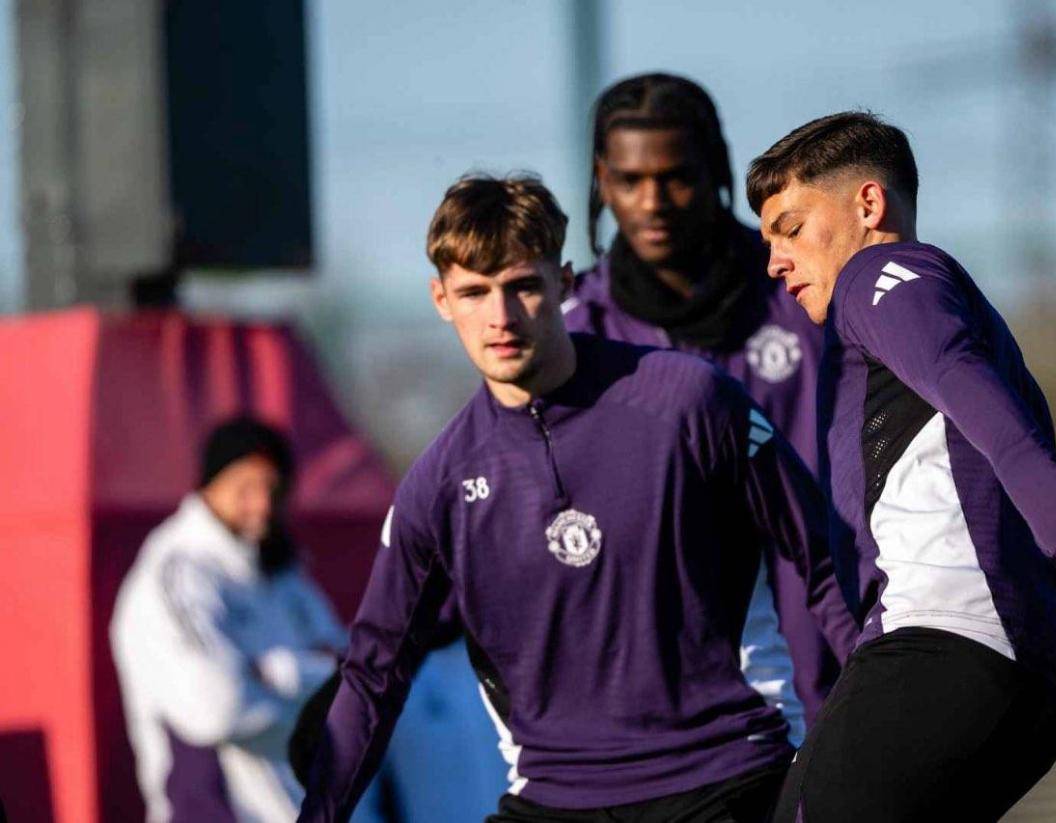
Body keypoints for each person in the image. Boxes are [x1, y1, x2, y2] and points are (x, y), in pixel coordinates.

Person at [297, 174, 857, 822]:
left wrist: (878, 730)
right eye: (474, 292)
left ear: (563, 283)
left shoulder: (690, 400)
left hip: (724, 778)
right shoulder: (439, 485)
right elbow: (374, 673)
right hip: (552, 798)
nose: (501, 317)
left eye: (522, 286)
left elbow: (827, 562)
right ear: (441, 298)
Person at [746, 111, 1056, 822]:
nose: (774, 261)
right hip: (998, 657)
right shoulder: (877, 321)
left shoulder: (880, 273)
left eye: (791, 228)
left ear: (867, 205)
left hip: (951, 638)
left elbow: (954, 371)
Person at [564, 73, 838, 735]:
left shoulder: (805, 295)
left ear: (715, 168)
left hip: (839, 668)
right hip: (675, 715)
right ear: (602, 181)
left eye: (676, 177)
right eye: (630, 180)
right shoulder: (576, 334)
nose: (652, 202)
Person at [111, 417, 365, 822]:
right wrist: (311, 687)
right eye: (245, 487)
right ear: (209, 485)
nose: (262, 504)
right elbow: (215, 708)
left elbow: (357, 680)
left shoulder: (284, 575)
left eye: (273, 488)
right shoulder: (174, 576)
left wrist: (277, 673)